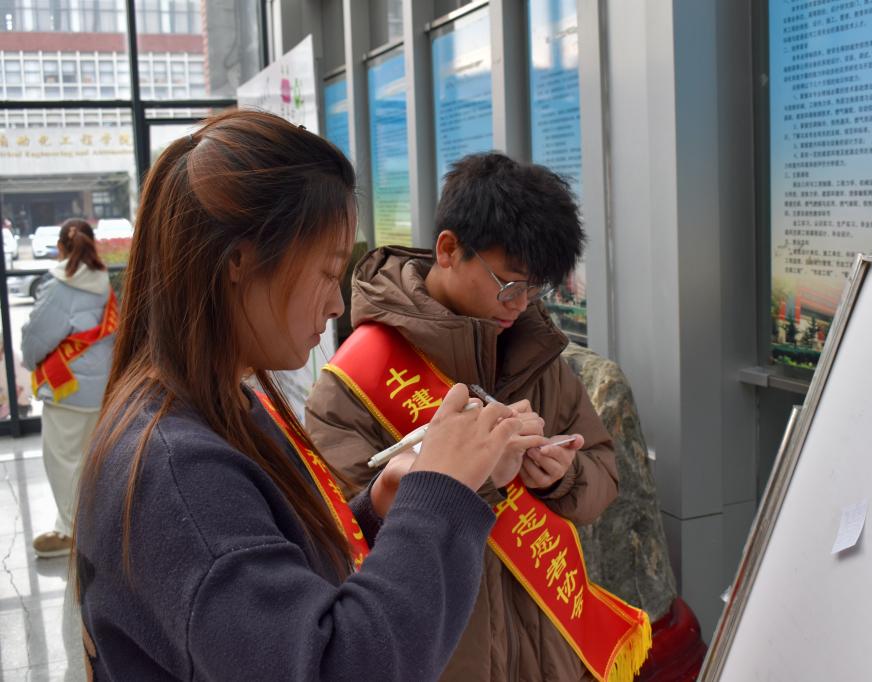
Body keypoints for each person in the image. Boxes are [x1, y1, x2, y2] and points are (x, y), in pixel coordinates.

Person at [73, 110, 532, 680]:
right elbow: (333, 665)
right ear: (239, 260)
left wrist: (378, 509)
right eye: (327, 272)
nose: (337, 304)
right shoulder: (177, 472)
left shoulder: (217, 406)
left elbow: (275, 595)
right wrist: (441, 493)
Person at [306, 153, 648, 682]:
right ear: (448, 249)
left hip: (547, 658)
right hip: (442, 658)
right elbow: (342, 535)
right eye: (509, 284)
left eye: (534, 289)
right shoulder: (354, 381)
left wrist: (563, 476)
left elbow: (603, 470)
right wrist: (478, 476)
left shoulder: (537, 358)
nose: (520, 305)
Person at [21, 218, 115, 558]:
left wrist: (30, 360)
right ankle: (97, 527)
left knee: (62, 461)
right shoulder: (104, 282)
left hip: (68, 390)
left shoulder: (59, 285)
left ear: (61, 247)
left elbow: (36, 337)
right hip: (102, 388)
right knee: (93, 461)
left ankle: (72, 533)